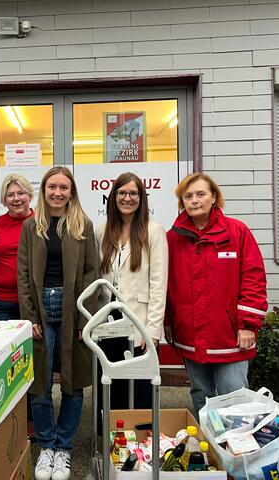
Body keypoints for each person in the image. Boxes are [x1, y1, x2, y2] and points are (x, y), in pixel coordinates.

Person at [18, 166, 98, 480]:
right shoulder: (31, 226)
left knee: (73, 383)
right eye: (52, 187)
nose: (57, 193)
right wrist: (30, 317)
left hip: (72, 306)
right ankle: (47, 446)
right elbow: (23, 276)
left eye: (64, 188)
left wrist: (84, 318)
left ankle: (63, 448)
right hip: (40, 308)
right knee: (38, 384)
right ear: (44, 190)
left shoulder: (83, 225)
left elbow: (92, 274)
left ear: (71, 192)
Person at [165, 172, 267, 417]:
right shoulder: (173, 238)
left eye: (201, 194)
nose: (194, 200)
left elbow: (254, 279)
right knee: (201, 394)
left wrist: (248, 325)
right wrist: (169, 322)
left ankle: (238, 452)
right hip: (190, 335)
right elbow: (167, 285)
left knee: (235, 395)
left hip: (230, 337)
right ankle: (210, 448)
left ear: (214, 198)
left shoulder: (237, 232)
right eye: (188, 196)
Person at [95, 172, 168, 411]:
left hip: (139, 320)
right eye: (122, 192)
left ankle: (140, 439)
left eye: (133, 193)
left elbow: (159, 284)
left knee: (138, 387)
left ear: (142, 198)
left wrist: (153, 331)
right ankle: (110, 439)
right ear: (113, 196)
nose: (128, 198)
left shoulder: (154, 231)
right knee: (110, 383)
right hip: (107, 319)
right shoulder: (102, 229)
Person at [0, 174, 34, 320]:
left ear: (30, 196)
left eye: (21, 193)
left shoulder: (41, 223)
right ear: (4, 200)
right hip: (0, 301)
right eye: (10, 195)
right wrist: (0, 275)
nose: (16, 198)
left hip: (34, 301)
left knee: (33, 343)